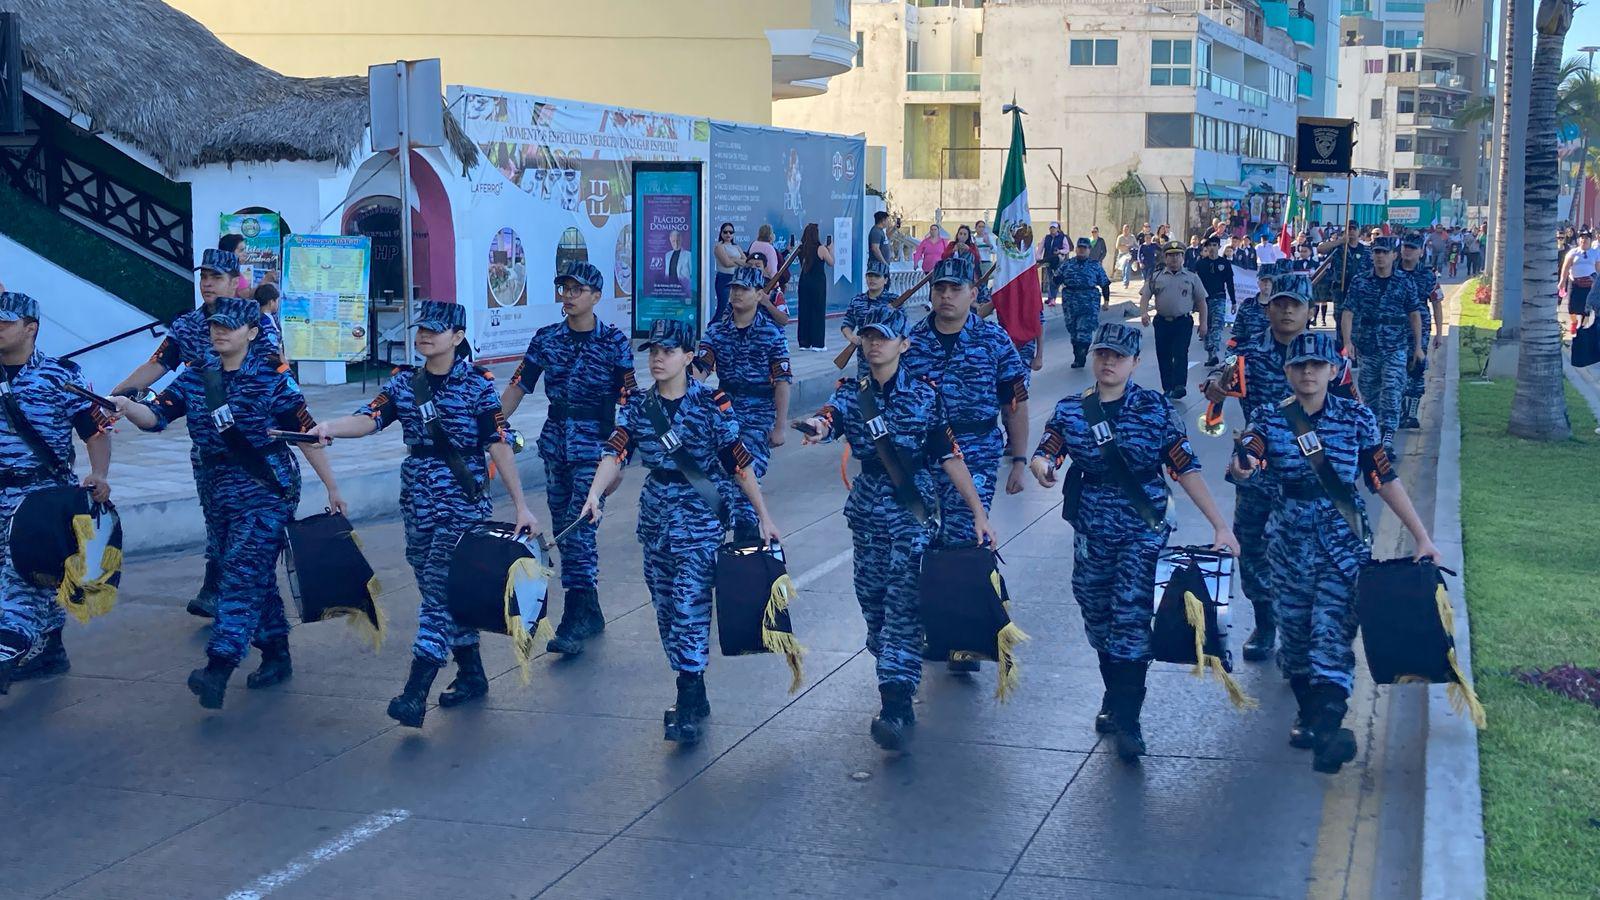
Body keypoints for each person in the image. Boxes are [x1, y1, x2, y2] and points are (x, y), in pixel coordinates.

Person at [308, 300, 537, 727]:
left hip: (461, 503)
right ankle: (471, 672)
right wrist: (329, 428)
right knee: (436, 585)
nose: (425, 336)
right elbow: (369, 419)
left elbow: (499, 443)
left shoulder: (478, 384)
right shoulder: (403, 385)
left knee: (437, 590)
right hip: (417, 502)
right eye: (421, 329)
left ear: (458, 337)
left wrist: (521, 504)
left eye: (436, 329)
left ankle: (415, 692)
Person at [113, 297, 344, 709]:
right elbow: (156, 418)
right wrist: (130, 407)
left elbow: (306, 435)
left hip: (266, 487)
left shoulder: (274, 380)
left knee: (238, 574)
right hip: (217, 487)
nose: (219, 332)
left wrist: (332, 486)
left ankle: (218, 667)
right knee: (254, 573)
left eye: (230, 327)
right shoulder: (196, 377)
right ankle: (275, 653)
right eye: (215, 325)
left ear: (252, 333)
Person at [1230, 331, 1440, 773]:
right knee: (1298, 639)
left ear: (1333, 371)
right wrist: (1244, 465)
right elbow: (1251, 453)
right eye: (1299, 366)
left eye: (1317, 366)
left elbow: (1383, 479)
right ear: (1287, 372)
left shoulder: (1357, 419)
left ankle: (1328, 727)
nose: (1308, 373)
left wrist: (1421, 536)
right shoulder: (1269, 419)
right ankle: (1312, 713)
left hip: (1343, 545)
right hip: (1287, 544)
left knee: (1331, 633)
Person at [1031, 322, 1238, 762]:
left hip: (1143, 526)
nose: (1108, 362)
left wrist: (1220, 525)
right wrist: (1041, 465)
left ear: (1134, 363)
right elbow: (1049, 449)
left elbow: (1185, 466)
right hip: (1091, 527)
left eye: (1118, 357)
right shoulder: (1072, 410)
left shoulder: (1155, 410)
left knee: (1129, 613)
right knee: (1097, 612)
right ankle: (1115, 693)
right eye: (1102, 354)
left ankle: (1129, 717)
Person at [797, 305, 995, 749]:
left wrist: (977, 512)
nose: (873, 344)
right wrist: (815, 426)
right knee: (873, 606)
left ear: (904, 345)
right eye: (868, 337)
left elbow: (949, 456)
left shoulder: (924, 395)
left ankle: (896, 705)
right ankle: (893, 660)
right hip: (868, 508)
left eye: (884, 337)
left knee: (902, 605)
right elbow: (829, 418)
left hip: (913, 509)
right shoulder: (852, 393)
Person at [581, 318, 781, 745]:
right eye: (653, 351)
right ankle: (694, 681)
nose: (657, 358)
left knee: (690, 605)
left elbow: (737, 462)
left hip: (700, 517)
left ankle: (687, 697)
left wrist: (762, 514)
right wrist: (595, 495)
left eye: (667, 351)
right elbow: (615, 452)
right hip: (655, 518)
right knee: (667, 609)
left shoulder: (711, 404)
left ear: (689, 358)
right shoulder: (637, 405)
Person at [110, 248, 280, 620]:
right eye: (203, 277)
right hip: (207, 442)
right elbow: (158, 364)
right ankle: (218, 585)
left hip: (249, 445)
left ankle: (241, 597)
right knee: (215, 515)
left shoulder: (257, 324)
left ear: (235, 283)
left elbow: (272, 376)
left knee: (250, 527)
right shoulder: (187, 325)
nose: (207, 284)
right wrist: (117, 394)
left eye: (216, 278)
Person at [1202, 273, 1340, 665]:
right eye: (1279, 303)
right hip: (1259, 469)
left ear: (1310, 310)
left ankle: (1308, 627)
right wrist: (1215, 387)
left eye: (1295, 304)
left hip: (1312, 472)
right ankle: (1266, 624)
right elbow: (1219, 379)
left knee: (1310, 552)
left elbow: (1349, 402)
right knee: (1253, 548)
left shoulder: (1327, 354)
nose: (1286, 311)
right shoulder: (1248, 354)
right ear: (1268, 307)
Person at [499, 261, 634, 657]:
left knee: (579, 528)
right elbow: (518, 386)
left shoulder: (614, 342)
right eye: (565, 288)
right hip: (557, 442)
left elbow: (629, 400)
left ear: (596, 296)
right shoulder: (546, 339)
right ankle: (589, 608)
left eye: (578, 289)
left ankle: (575, 613)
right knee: (564, 525)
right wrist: (488, 426)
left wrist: (622, 454)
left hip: (596, 446)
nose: (570, 295)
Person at [903, 256, 1030, 672]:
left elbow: (1014, 404)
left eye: (955, 289)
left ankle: (965, 642)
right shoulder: (910, 341)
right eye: (939, 288)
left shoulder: (993, 341)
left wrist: (1018, 458)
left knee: (961, 541)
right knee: (921, 544)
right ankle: (932, 628)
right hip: (920, 456)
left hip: (974, 451)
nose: (946, 296)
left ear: (974, 294)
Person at [0, 292, 112, 692]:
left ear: (30, 328)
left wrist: (99, 474)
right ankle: (50, 651)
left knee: (19, 580)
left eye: (5, 322)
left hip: (40, 498)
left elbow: (95, 430)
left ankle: (6, 652)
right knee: (34, 578)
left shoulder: (60, 376)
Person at [693, 265, 792, 533]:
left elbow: (782, 382)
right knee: (719, 483)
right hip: (724, 413)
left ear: (759, 294)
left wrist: (780, 427)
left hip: (758, 416)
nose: (736, 293)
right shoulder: (717, 331)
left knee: (746, 479)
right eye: (733, 288)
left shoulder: (772, 333)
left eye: (743, 289)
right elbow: (701, 369)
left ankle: (746, 551)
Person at [1340, 236, 1422, 454]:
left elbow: (1414, 314)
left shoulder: (1404, 282)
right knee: (1369, 390)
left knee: (1392, 388)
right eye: (1376, 252)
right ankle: (1373, 431)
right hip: (1368, 345)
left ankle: (1388, 433)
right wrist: (1347, 342)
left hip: (1395, 346)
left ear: (1394, 255)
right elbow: (1348, 312)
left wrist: (1418, 347)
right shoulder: (1360, 281)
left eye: (1385, 252)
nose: (1380, 256)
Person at [1140, 242, 1210, 398]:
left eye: (1177, 255)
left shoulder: (1192, 278)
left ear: (1183, 258)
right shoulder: (1156, 276)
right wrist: (1144, 313)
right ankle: (1167, 387)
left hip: (1182, 322)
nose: (1174, 259)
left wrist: (1203, 323)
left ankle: (1179, 385)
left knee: (1180, 353)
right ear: (1165, 258)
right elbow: (1145, 296)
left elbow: (1201, 302)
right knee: (1163, 355)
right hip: (1162, 322)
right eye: (1170, 255)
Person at [1397, 234, 1444, 430]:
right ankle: (1397, 410)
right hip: (1395, 329)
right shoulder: (1391, 272)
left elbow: (1437, 303)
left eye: (1413, 248)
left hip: (1420, 330)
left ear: (1421, 252)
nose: (1408, 251)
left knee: (1416, 370)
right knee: (1396, 371)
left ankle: (1412, 412)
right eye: (1406, 246)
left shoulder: (1427, 275)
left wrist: (1439, 333)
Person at [1313, 222, 1373, 349]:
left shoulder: (1366, 251)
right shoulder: (1339, 249)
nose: (1351, 231)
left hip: (1359, 294)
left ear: (1359, 232)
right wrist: (1340, 241)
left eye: (1354, 229)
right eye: (1348, 229)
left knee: (1358, 325)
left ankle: (1355, 352)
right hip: (1341, 292)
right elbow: (1320, 249)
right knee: (1340, 323)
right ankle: (1343, 352)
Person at [1057, 237, 1113, 368]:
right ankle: (1077, 355)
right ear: (1076, 249)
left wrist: (1107, 301)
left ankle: (1081, 355)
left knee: (1084, 331)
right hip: (1070, 301)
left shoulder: (1095, 265)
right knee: (1073, 331)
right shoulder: (1067, 264)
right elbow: (1056, 280)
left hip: (1089, 301)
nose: (1081, 250)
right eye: (1079, 248)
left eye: (1084, 248)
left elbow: (1105, 284)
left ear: (1089, 250)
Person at [841, 258, 900, 377]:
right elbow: (847, 324)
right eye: (869, 276)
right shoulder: (857, 301)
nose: (872, 279)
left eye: (877, 276)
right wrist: (851, 337)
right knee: (864, 389)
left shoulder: (895, 301)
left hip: (887, 357)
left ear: (885, 280)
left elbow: (902, 330)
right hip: (864, 358)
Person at [1192, 236, 1237, 367]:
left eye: (1214, 245)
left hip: (1219, 298)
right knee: (1206, 327)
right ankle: (1209, 352)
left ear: (1218, 247)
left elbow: (1230, 283)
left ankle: (1214, 352)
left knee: (1217, 326)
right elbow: (1195, 284)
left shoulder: (1225, 263)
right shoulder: (1201, 264)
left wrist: (1233, 301)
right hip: (1204, 301)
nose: (1212, 248)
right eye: (1210, 245)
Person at [796, 223, 832, 352]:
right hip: (817, 283)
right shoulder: (821, 248)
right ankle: (817, 343)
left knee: (804, 310)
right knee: (817, 311)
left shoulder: (801, 248)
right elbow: (831, 262)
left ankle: (804, 342)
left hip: (804, 281)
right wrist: (830, 249)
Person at [1558, 228, 1600, 336]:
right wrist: (1562, 281)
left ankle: (1581, 328)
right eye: (1582, 238)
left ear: (1590, 240)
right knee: (1571, 308)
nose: (1584, 240)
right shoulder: (1573, 252)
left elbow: (1598, 269)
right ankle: (1574, 322)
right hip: (1575, 283)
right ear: (1579, 240)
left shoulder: (1595, 253)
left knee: (1586, 309)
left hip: (1590, 285)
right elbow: (1566, 267)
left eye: (1586, 238)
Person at [713, 222, 745, 324]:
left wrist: (733, 259)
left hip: (736, 279)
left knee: (734, 308)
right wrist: (738, 260)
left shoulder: (736, 247)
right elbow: (726, 263)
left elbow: (746, 261)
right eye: (725, 232)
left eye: (730, 232)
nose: (728, 235)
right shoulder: (719, 247)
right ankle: (712, 328)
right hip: (724, 279)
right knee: (722, 307)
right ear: (721, 233)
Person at [1041, 222, 1069, 304]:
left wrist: (1059, 251)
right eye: (1051, 228)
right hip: (1048, 261)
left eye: (1054, 228)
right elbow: (1041, 248)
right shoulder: (1046, 238)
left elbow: (1067, 249)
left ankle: (1053, 298)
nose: (1052, 229)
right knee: (1050, 279)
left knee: (1055, 280)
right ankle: (1051, 298)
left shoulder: (1062, 238)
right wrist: (1038, 258)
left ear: (1057, 229)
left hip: (1058, 262)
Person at [1088, 227, 1109, 300]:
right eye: (1092, 232)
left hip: (1097, 262)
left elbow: (1104, 251)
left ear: (1098, 232)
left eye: (1095, 231)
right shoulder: (1089, 240)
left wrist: (1100, 259)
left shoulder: (1101, 241)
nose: (1094, 233)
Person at [1116, 225, 1138, 289]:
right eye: (1124, 229)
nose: (1125, 230)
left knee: (1127, 267)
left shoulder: (1132, 237)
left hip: (1129, 255)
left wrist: (1132, 247)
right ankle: (1124, 279)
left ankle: (1126, 282)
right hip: (1122, 254)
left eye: (1127, 229)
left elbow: (1136, 245)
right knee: (1123, 268)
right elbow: (1117, 246)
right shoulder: (1120, 237)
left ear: (1129, 230)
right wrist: (1125, 246)